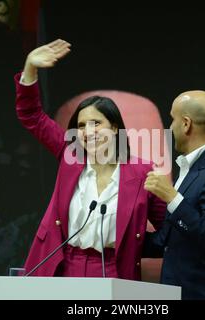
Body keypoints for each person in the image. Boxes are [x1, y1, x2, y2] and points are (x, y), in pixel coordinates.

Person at [15, 39, 166, 280]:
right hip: (64, 265)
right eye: (82, 125)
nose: (88, 131)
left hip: (115, 269)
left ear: (115, 127)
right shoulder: (71, 154)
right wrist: (30, 68)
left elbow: (167, 231)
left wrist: (133, 241)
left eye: (96, 123)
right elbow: (31, 115)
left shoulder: (142, 172)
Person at [143, 90, 205, 299]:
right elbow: (170, 240)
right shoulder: (194, 169)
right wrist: (120, 240)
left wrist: (172, 198)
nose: (170, 127)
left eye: (172, 119)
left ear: (186, 123)